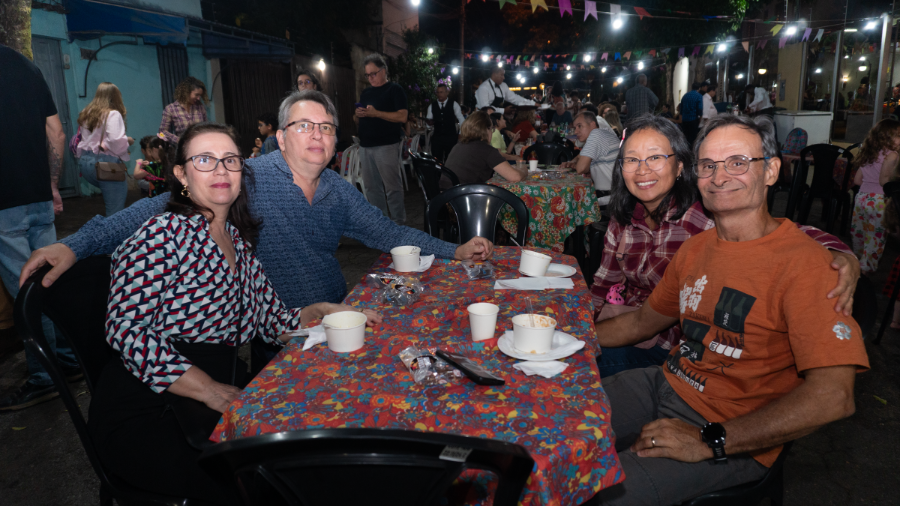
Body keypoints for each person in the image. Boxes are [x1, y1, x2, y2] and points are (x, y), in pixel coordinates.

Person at [21, 90, 493, 370]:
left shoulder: (337, 189)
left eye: (327, 127)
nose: (317, 134)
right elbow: (157, 206)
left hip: (333, 316)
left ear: (336, 140)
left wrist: (454, 250)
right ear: (281, 137)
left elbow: (388, 232)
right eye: (304, 125)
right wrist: (74, 244)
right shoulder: (244, 176)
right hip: (276, 334)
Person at [88, 122, 382, 502]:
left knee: (312, 444)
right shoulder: (161, 235)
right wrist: (206, 388)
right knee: (265, 481)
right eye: (205, 160)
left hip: (217, 384)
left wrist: (319, 311)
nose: (221, 170)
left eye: (230, 160)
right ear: (181, 174)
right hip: (149, 405)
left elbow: (272, 321)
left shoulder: (238, 244)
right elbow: (125, 329)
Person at [593, 114, 869, 505]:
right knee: (558, 423)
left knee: (591, 492)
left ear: (771, 171)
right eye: (708, 165)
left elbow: (834, 396)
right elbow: (640, 322)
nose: (720, 177)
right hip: (665, 382)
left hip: (733, 428)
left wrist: (710, 439)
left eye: (738, 162)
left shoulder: (810, 267)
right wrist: (569, 338)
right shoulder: (696, 248)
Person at [590, 115, 859, 378]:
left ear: (681, 166)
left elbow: (776, 232)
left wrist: (842, 255)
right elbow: (605, 284)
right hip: (628, 325)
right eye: (632, 159)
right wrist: (585, 323)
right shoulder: (624, 218)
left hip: (677, 348)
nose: (642, 170)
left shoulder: (706, 217)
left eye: (655, 157)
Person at [0, 42, 80, 411]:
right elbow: (57, 133)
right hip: (38, 196)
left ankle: (45, 376)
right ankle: (69, 359)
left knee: (26, 291)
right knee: (49, 280)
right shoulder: (27, 67)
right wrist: (51, 184)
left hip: (4, 203)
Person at [355, 54, 409, 226]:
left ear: (384, 71)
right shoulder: (366, 92)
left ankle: (398, 224)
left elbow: (402, 116)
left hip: (386, 145)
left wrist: (376, 113)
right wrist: (358, 114)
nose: (370, 78)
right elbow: (360, 118)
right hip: (365, 145)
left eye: (373, 73)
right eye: (367, 75)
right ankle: (381, 224)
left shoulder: (394, 90)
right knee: (372, 188)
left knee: (392, 187)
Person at [75, 82, 132, 217]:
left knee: (110, 203)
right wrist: (128, 141)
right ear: (115, 96)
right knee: (115, 212)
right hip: (106, 164)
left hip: (85, 163)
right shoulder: (113, 114)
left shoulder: (86, 113)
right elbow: (115, 140)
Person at [850, 119, 900, 273]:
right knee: (875, 237)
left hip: (861, 198)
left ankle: (856, 263)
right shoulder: (892, 155)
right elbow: (884, 181)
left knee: (859, 233)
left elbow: (857, 180)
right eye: (899, 135)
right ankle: (865, 270)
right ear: (888, 137)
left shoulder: (868, 153)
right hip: (879, 201)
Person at [442, 111, 526, 189]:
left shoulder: (458, 146)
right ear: (486, 130)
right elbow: (515, 177)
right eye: (491, 129)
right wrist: (524, 171)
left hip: (443, 195)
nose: (492, 132)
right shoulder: (486, 150)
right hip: (464, 196)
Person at [560, 111, 619, 206]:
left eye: (580, 126)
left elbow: (581, 169)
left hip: (608, 200)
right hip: (616, 195)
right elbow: (580, 157)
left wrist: (578, 165)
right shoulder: (605, 133)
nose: (576, 132)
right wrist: (573, 162)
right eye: (575, 128)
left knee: (565, 203)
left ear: (592, 124)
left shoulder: (596, 134)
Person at [159, 77, 209, 144]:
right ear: (187, 92)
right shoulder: (171, 109)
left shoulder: (200, 107)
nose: (198, 98)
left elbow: (206, 127)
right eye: (197, 95)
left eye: (200, 95)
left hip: (200, 145)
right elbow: (161, 133)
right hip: (182, 147)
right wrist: (178, 140)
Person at [425, 83, 464, 162]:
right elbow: (428, 123)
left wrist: (460, 133)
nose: (439, 94)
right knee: (436, 161)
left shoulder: (454, 104)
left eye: (441, 92)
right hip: (437, 138)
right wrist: (429, 124)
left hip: (450, 138)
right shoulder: (432, 106)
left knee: (450, 160)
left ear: (447, 92)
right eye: (438, 92)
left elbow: (462, 120)